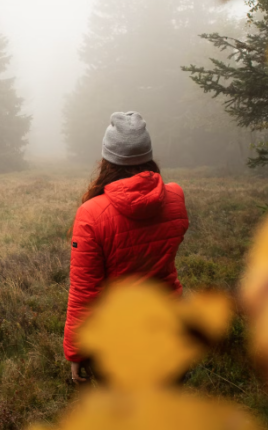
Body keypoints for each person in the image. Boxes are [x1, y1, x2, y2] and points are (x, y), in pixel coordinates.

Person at [64, 111, 189, 384]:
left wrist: (75, 351)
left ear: (107, 159)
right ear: (148, 154)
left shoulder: (91, 213)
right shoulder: (176, 197)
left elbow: (86, 291)